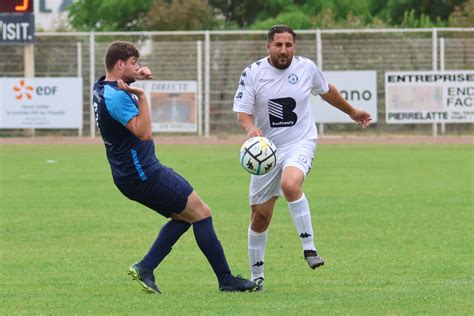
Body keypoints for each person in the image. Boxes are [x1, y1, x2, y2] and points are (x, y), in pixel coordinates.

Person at [93, 41, 257, 294]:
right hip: (144, 173)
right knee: (202, 213)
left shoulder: (103, 87)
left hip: (130, 175)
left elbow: (118, 87)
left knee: (184, 217)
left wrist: (135, 78)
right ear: (119, 64)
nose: (138, 67)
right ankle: (226, 280)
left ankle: (146, 267)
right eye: (134, 63)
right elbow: (144, 132)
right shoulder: (117, 97)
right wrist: (143, 95)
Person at [233, 25, 372, 290]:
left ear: (294, 47)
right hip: (266, 152)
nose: (284, 50)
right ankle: (257, 277)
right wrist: (250, 129)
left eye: (288, 45)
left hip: (300, 142)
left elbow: (326, 89)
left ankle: (309, 248)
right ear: (268, 47)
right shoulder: (253, 73)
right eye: (278, 45)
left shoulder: (306, 68)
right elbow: (242, 113)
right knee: (260, 217)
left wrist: (352, 111)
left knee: (291, 184)